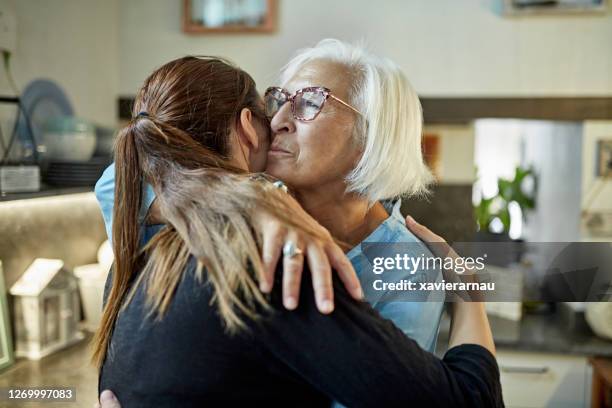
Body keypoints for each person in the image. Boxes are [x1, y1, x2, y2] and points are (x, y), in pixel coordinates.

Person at [94, 55, 502, 407]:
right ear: (248, 129)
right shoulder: (265, 251)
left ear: (371, 137)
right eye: (278, 101)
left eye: (310, 102)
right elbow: (119, 177)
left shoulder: (403, 263)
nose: (280, 120)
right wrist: (248, 201)